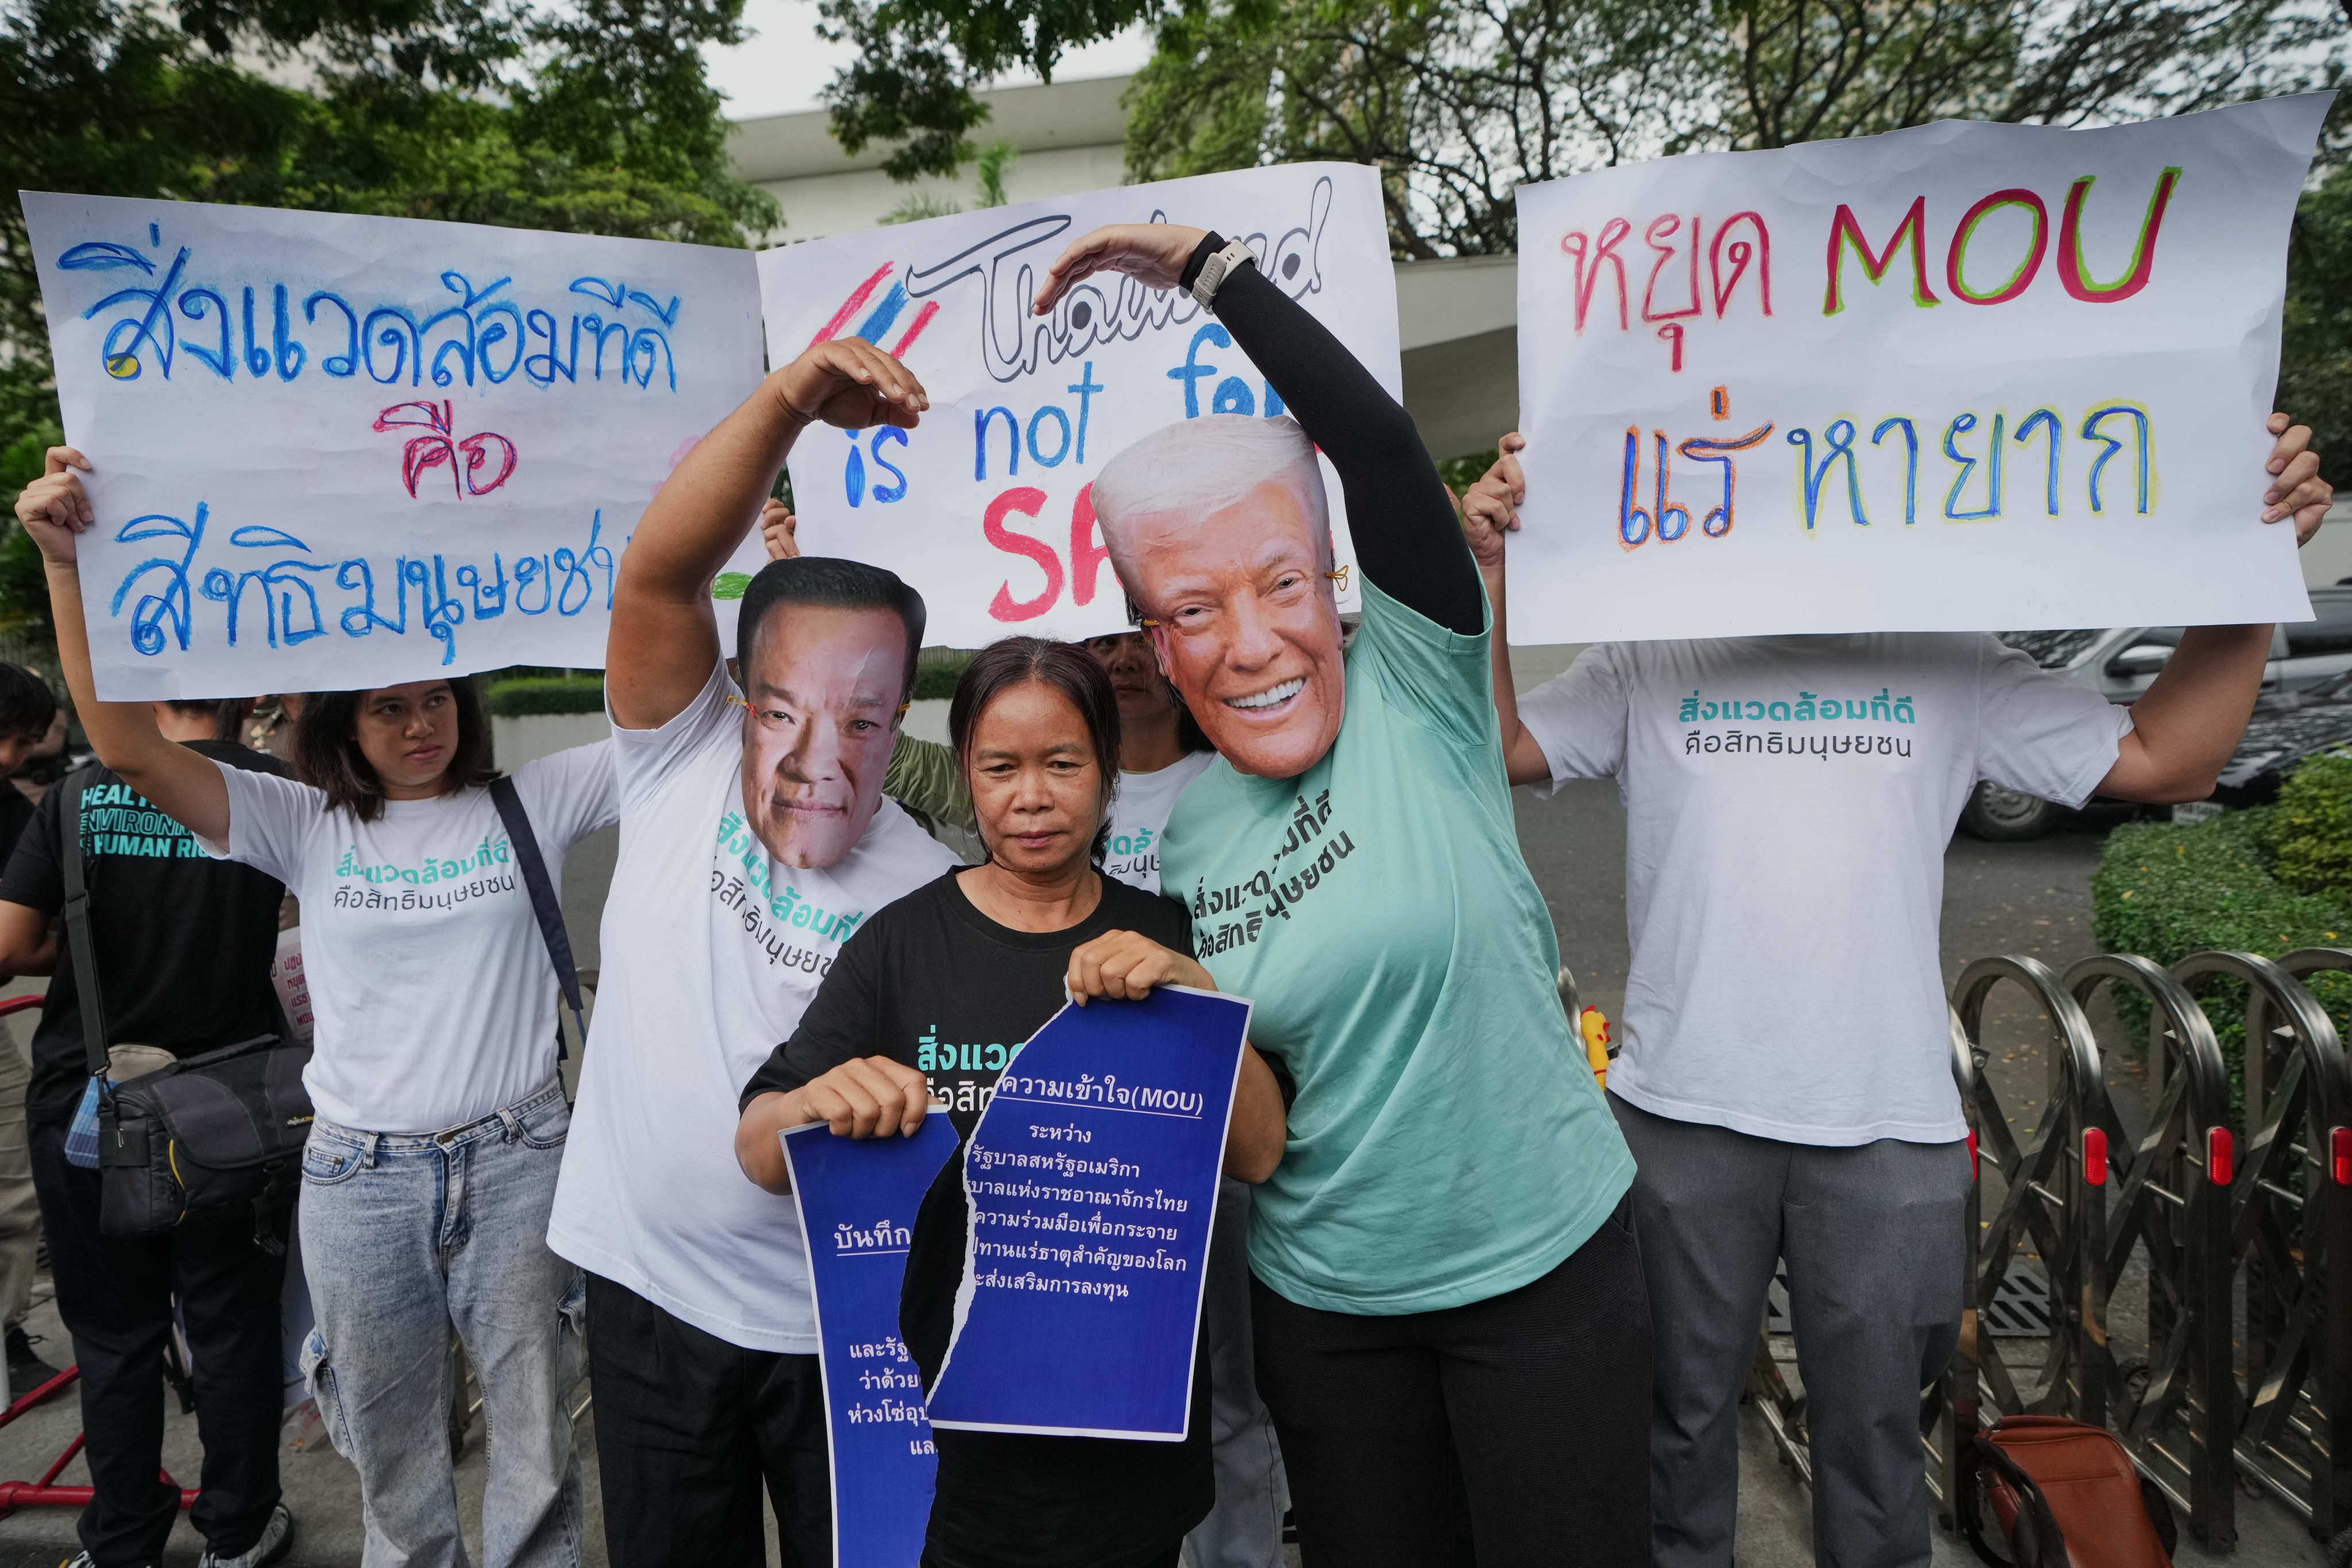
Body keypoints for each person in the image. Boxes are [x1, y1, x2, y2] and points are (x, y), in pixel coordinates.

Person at [1453, 418, 2334, 1568]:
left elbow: (2168, 759)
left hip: (1886, 1133)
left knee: (1876, 1454)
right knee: (1672, 1434)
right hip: (1677, 1119)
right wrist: (1489, 572)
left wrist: (2244, 572)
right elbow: (1488, 744)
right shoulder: (1653, 652)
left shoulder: (1946, 656)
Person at [1032, 224, 1646, 1567]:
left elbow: (1372, 445)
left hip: (1542, 1272)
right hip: (1327, 1303)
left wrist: (1203, 272)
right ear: (1153, 645)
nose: (1249, 644)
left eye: (1281, 584)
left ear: (1336, 583)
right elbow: (1255, 1116)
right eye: (1192, 611)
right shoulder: (1188, 844)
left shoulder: (1417, 689)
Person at [14, 445, 617, 1568]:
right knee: (389, 1453)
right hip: (359, 1176)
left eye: (437, 697)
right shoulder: (301, 819)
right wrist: (63, 566)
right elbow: (127, 750)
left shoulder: (533, 800)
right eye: (388, 706)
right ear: (340, 721)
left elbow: (677, 725)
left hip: (520, 1156)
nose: (420, 724)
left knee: (534, 1442)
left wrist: (745, 571)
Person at [735, 636, 1287, 1568]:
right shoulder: (901, 947)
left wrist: (1196, 997)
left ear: (1109, 772)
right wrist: (819, 1102)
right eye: (1001, 767)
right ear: (966, 775)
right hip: (952, 1447)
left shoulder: (1163, 934)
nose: (1031, 796)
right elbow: (758, 1148)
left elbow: (1260, 1151)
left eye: (1063, 763)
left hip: (1130, 1442)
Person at [544, 337, 956, 1568]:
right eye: (780, 711)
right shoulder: (675, 764)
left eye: (862, 720)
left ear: (899, 725)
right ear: (734, 693)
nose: (815, 759)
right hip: (650, 1306)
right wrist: (785, 401)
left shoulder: (932, 893)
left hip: (853, 1343)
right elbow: (659, 577)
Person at [0, 691, 293, 1568]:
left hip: (88, 1102)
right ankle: (237, 1533)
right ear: (247, 690)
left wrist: (83, 931)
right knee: (233, 1326)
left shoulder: (78, 795)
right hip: (230, 1107)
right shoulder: (284, 789)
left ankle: (123, 1537)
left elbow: (12, 943)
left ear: (144, 688)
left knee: (112, 1333)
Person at [0, 661, 63, 1392]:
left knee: (14, 1186)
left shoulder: (13, 808)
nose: (14, 758)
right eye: (4, 738)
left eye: (24, 742)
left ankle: (9, 1335)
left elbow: (26, 934)